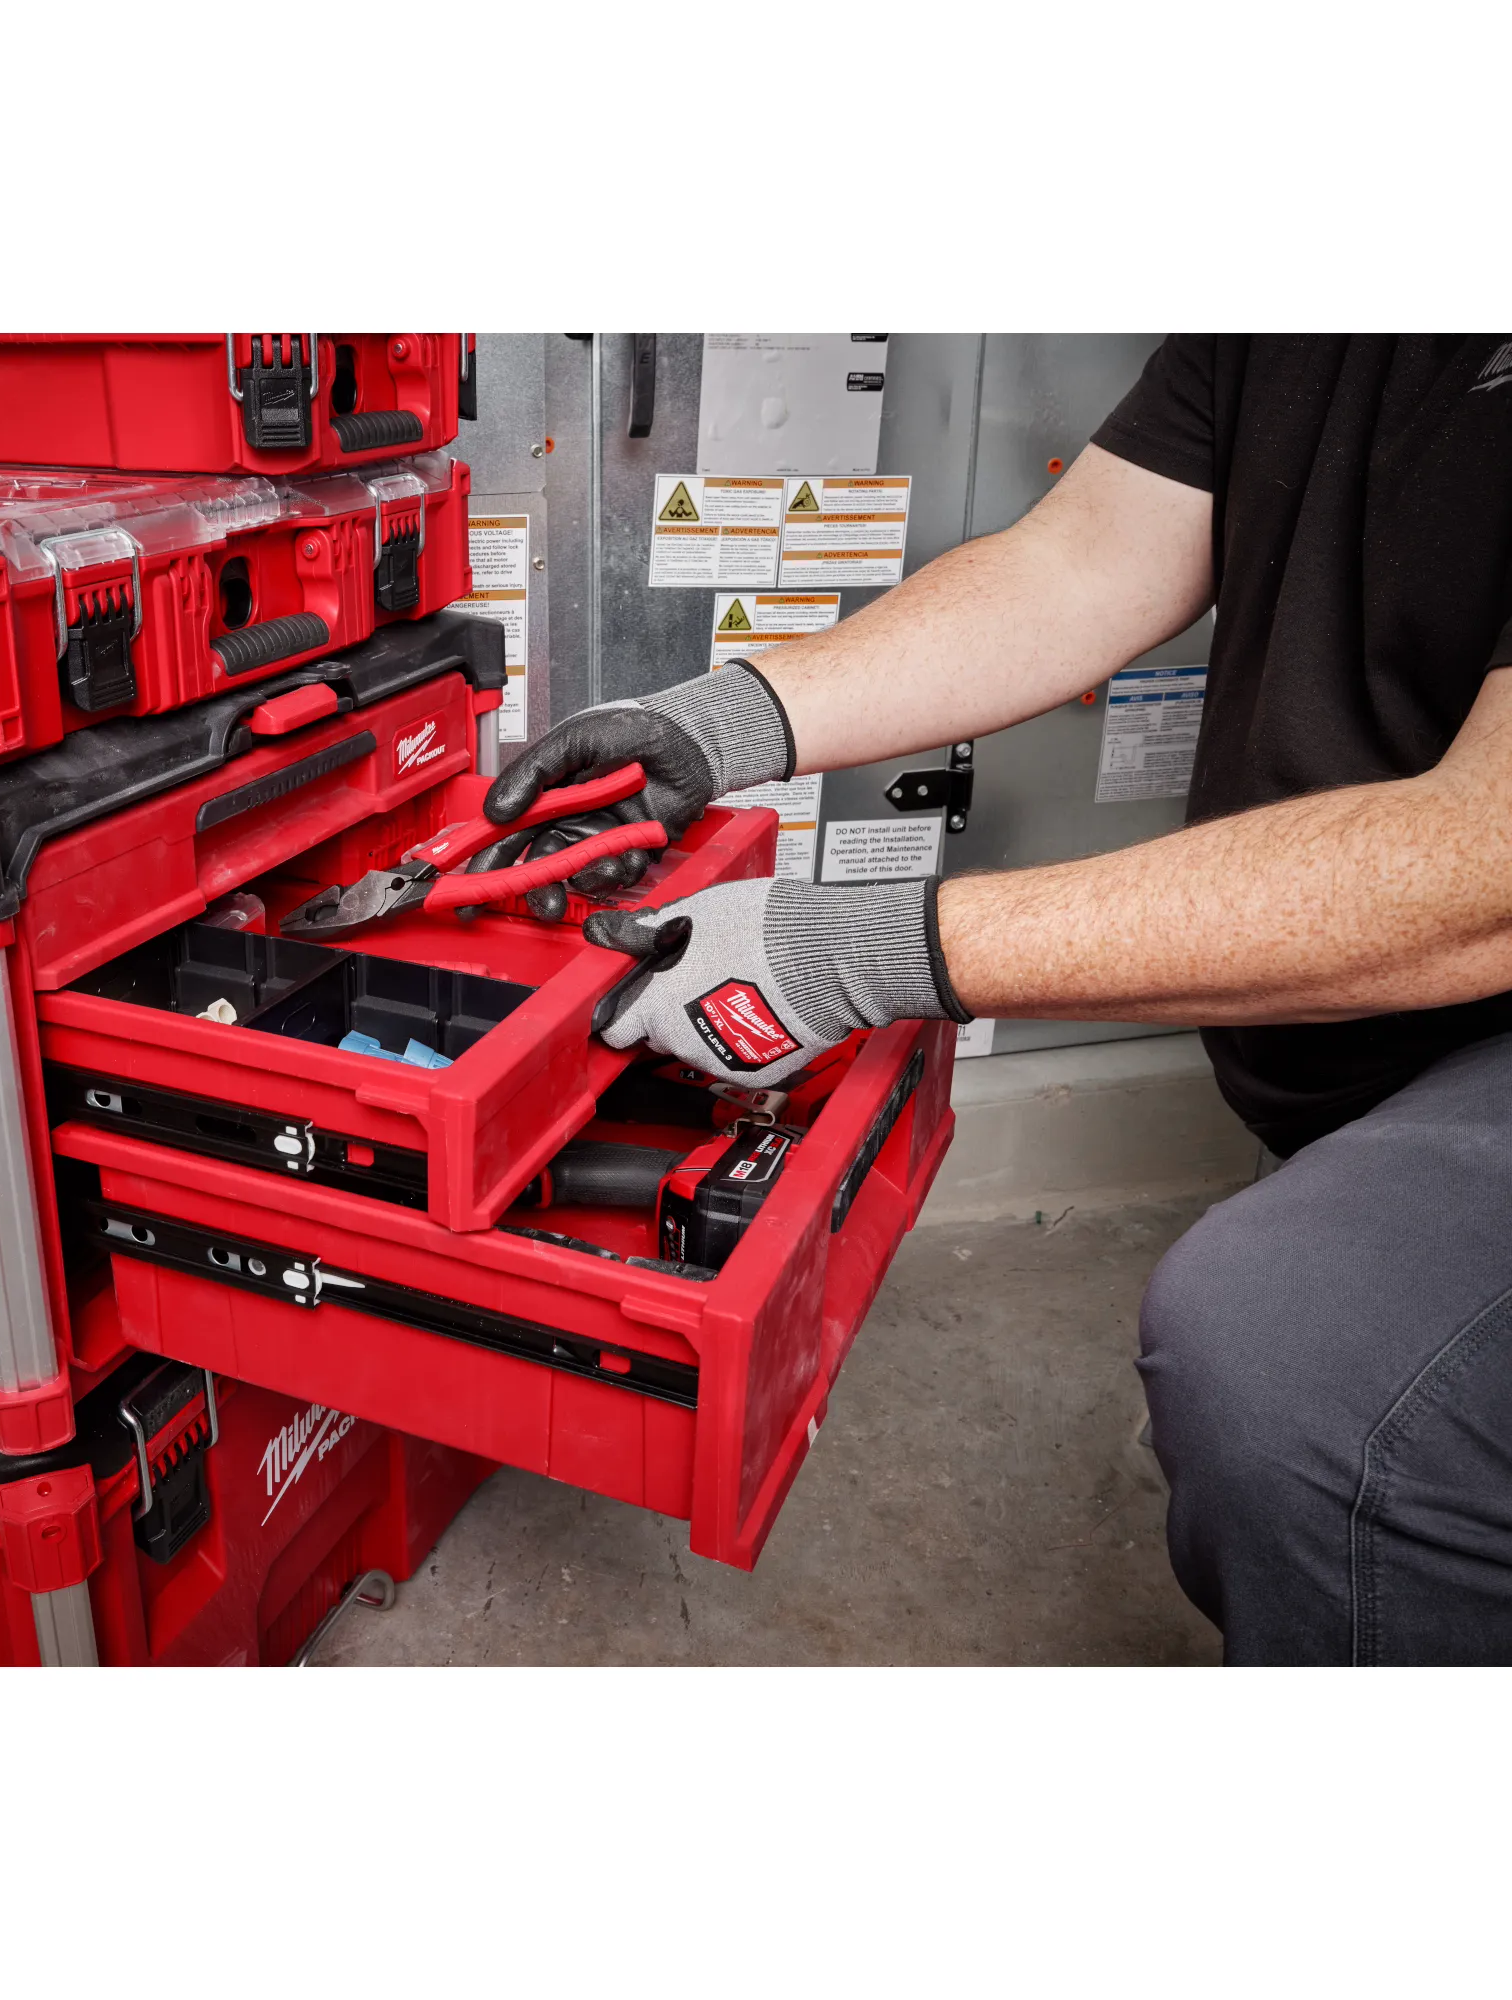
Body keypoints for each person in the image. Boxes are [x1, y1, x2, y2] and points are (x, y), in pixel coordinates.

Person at [478, 335, 1512, 1666]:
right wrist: (726, 719)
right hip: (1363, 1042)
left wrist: (852, 952)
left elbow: (1486, 868)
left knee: (1301, 1384)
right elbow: (1080, 563)